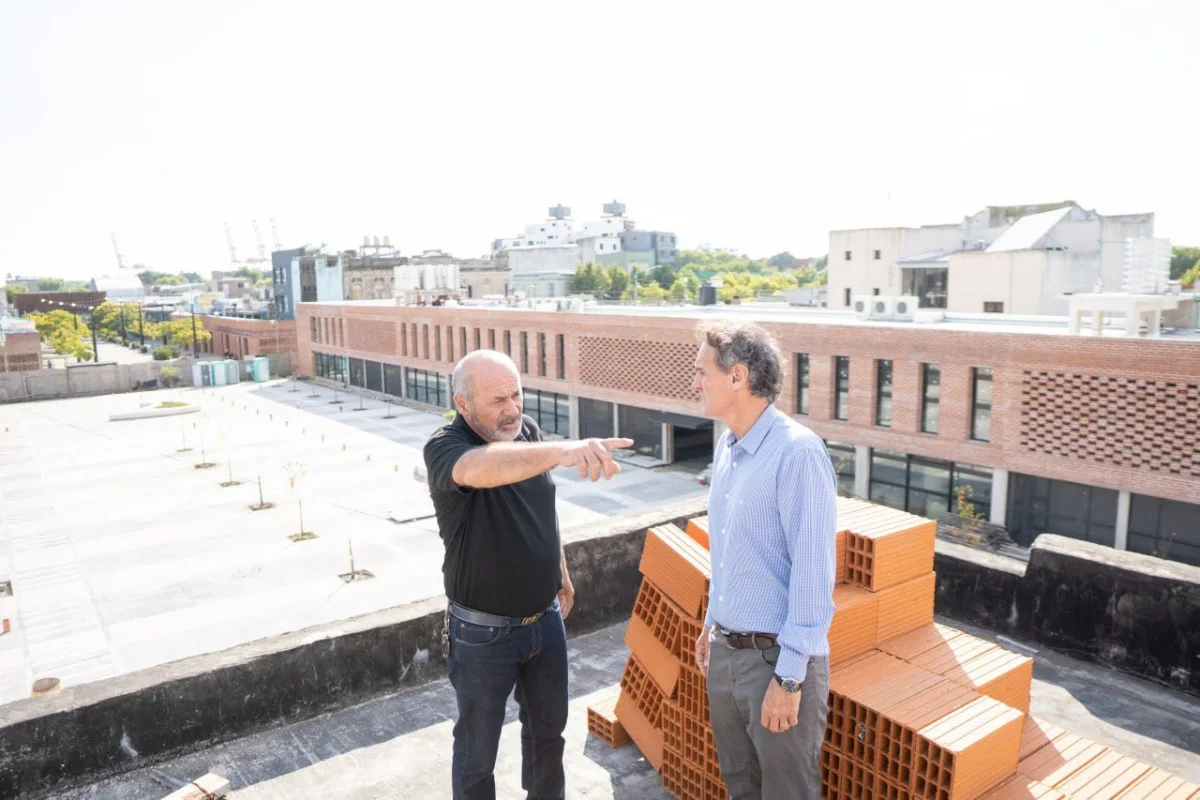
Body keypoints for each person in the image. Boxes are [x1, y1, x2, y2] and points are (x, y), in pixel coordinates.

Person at [423, 349, 633, 800]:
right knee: (477, 753)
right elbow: (478, 468)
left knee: (548, 738)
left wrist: (560, 569)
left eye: (516, 395)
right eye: (498, 400)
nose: (513, 409)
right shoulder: (445, 446)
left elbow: (543, 505)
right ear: (462, 403)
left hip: (545, 621)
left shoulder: (527, 431)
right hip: (482, 636)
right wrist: (563, 451)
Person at [690, 322, 838, 800]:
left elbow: (813, 579)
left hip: (777, 662)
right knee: (741, 786)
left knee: (784, 793)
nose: (695, 383)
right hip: (726, 654)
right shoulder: (727, 447)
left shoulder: (798, 454)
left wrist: (789, 678)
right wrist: (711, 624)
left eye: (702, 372)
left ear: (737, 376)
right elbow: (729, 552)